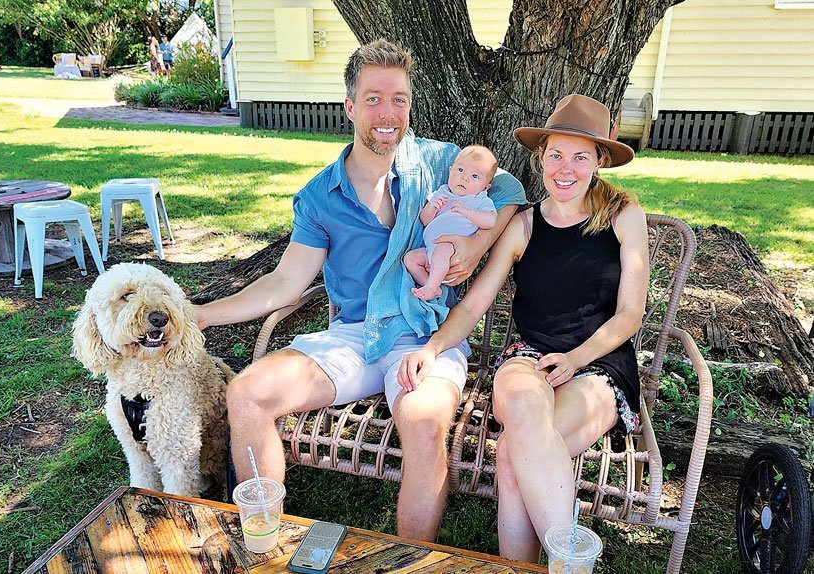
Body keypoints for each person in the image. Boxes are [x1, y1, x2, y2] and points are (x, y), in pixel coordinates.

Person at [195, 39, 525, 541]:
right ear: (350, 106)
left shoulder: (442, 165)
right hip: (354, 335)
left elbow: (511, 190)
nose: (388, 113)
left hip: (425, 334)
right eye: (373, 98)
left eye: (399, 99)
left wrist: (476, 246)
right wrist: (203, 314)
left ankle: (409, 560)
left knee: (423, 423)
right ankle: (263, 542)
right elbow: (286, 281)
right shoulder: (321, 196)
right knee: (246, 393)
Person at [398, 94, 649, 561]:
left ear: (599, 161)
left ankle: (541, 567)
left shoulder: (622, 215)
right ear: (541, 157)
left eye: (580, 156)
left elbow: (630, 314)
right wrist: (433, 348)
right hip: (527, 357)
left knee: (514, 453)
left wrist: (576, 358)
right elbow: (474, 306)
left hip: (597, 364)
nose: (565, 168)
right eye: (556, 154)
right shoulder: (524, 225)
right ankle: (572, 563)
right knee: (526, 413)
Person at [404, 145, 498, 300]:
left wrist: (469, 213)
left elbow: (490, 221)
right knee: (410, 259)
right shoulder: (442, 192)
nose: (465, 178)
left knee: (442, 249)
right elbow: (425, 221)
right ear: (450, 170)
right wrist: (432, 209)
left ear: (485, 187)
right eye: (460, 170)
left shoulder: (479, 200)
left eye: (475, 176)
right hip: (430, 249)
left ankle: (432, 286)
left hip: (453, 253)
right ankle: (432, 286)